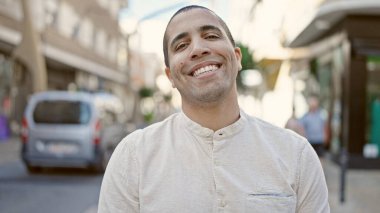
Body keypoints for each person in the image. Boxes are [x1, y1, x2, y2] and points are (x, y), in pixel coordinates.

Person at [98, 5, 330, 212]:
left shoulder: (296, 155)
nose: (198, 49)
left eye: (210, 35)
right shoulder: (133, 157)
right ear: (170, 76)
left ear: (237, 58)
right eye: (181, 45)